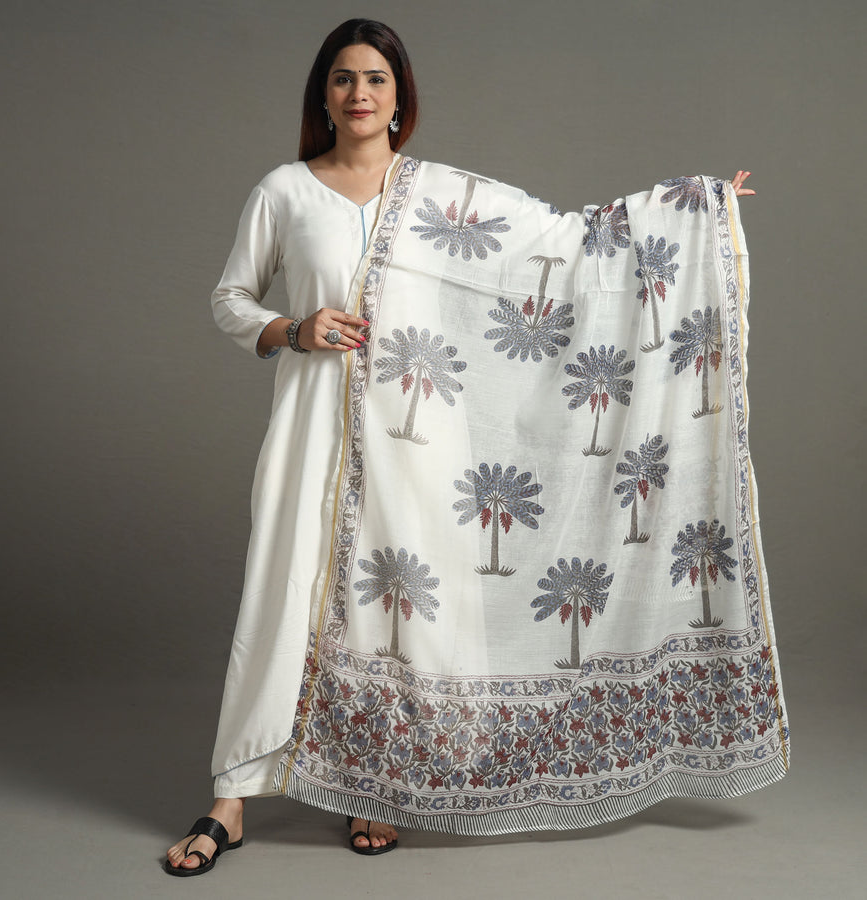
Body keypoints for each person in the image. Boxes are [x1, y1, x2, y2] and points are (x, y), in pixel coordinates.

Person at [165, 18, 762, 876]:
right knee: (282, 593)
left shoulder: (443, 197)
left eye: (375, 78)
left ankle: (376, 789)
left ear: (399, 96)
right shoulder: (285, 191)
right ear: (322, 95)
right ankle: (231, 797)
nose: (359, 93)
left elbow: (565, 237)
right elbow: (231, 298)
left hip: (421, 442)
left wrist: (696, 210)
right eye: (343, 78)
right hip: (313, 428)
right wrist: (293, 329)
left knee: (410, 607)